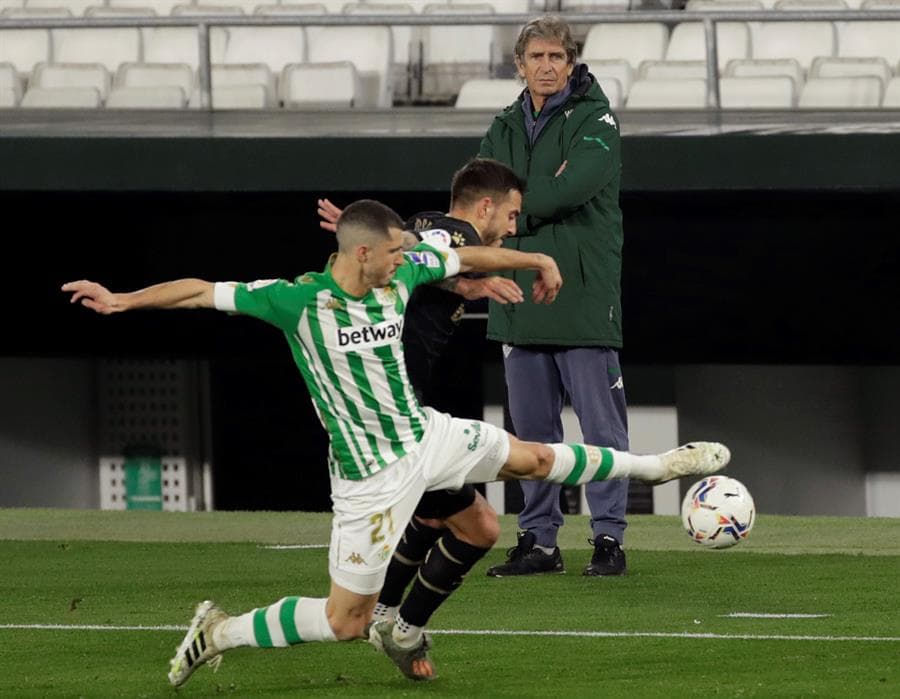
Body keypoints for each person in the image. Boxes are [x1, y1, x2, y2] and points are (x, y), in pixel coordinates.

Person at [61, 199, 730, 687]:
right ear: (361, 254)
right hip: (368, 479)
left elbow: (466, 255)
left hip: (426, 434)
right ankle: (220, 630)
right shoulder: (296, 301)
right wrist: (123, 300)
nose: (404, 260)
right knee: (344, 620)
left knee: (530, 460)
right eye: (393, 253)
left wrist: (532, 257)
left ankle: (659, 465)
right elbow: (202, 292)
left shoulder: (402, 275)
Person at [316, 158, 527, 644]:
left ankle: (386, 616)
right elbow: (433, 258)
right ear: (487, 206)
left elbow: (414, 258)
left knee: (434, 516)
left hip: (390, 406)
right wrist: (471, 280)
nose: (511, 230)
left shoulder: (424, 225)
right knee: (481, 527)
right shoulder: (457, 237)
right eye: (511, 217)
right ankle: (402, 628)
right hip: (393, 416)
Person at [478, 15, 633, 577]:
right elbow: (481, 199)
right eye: (537, 58)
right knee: (530, 432)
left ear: (571, 64)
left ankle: (609, 539)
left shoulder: (597, 120)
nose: (547, 67)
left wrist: (514, 205)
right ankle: (539, 541)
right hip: (518, 295)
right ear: (519, 65)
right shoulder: (502, 125)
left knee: (601, 431)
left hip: (584, 295)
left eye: (557, 58)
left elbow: (569, 190)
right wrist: (517, 203)